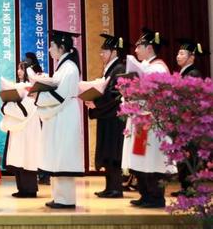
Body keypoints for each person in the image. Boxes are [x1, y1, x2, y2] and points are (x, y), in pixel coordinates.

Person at [121, 27, 173, 208]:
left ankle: (155, 197)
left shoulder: (157, 68)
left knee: (151, 159)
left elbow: (153, 95)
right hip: (141, 119)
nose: (136, 50)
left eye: (139, 46)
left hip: (152, 120)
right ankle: (145, 194)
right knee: (140, 158)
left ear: (149, 48)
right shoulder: (147, 67)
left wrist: (133, 92)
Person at [35, 30, 84, 209]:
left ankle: (66, 199)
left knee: (63, 156)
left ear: (61, 47)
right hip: (61, 114)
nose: (49, 49)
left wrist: (38, 95)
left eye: (52, 46)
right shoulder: (63, 67)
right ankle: (58, 196)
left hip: (65, 115)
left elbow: (59, 95)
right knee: (58, 155)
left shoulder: (69, 68)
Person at [84, 34, 127, 198]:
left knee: (113, 152)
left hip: (115, 118)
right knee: (107, 152)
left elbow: (115, 94)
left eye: (105, 51)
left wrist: (96, 103)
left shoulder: (119, 69)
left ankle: (116, 188)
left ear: (114, 52)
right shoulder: (111, 68)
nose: (101, 54)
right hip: (107, 116)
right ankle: (109, 187)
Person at [0, 54, 42, 198]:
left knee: (28, 158)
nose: (19, 71)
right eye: (18, 68)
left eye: (22, 68)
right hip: (18, 128)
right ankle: (22, 188)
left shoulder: (32, 88)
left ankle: (30, 189)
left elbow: (24, 111)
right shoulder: (20, 86)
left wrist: (6, 106)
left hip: (29, 128)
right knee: (19, 158)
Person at [172, 38, 207, 196]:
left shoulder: (193, 73)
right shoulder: (183, 73)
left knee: (189, 154)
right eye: (178, 53)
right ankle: (185, 187)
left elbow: (191, 99)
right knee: (183, 154)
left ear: (191, 57)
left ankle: (191, 188)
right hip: (181, 121)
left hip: (189, 122)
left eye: (182, 53)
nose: (178, 56)